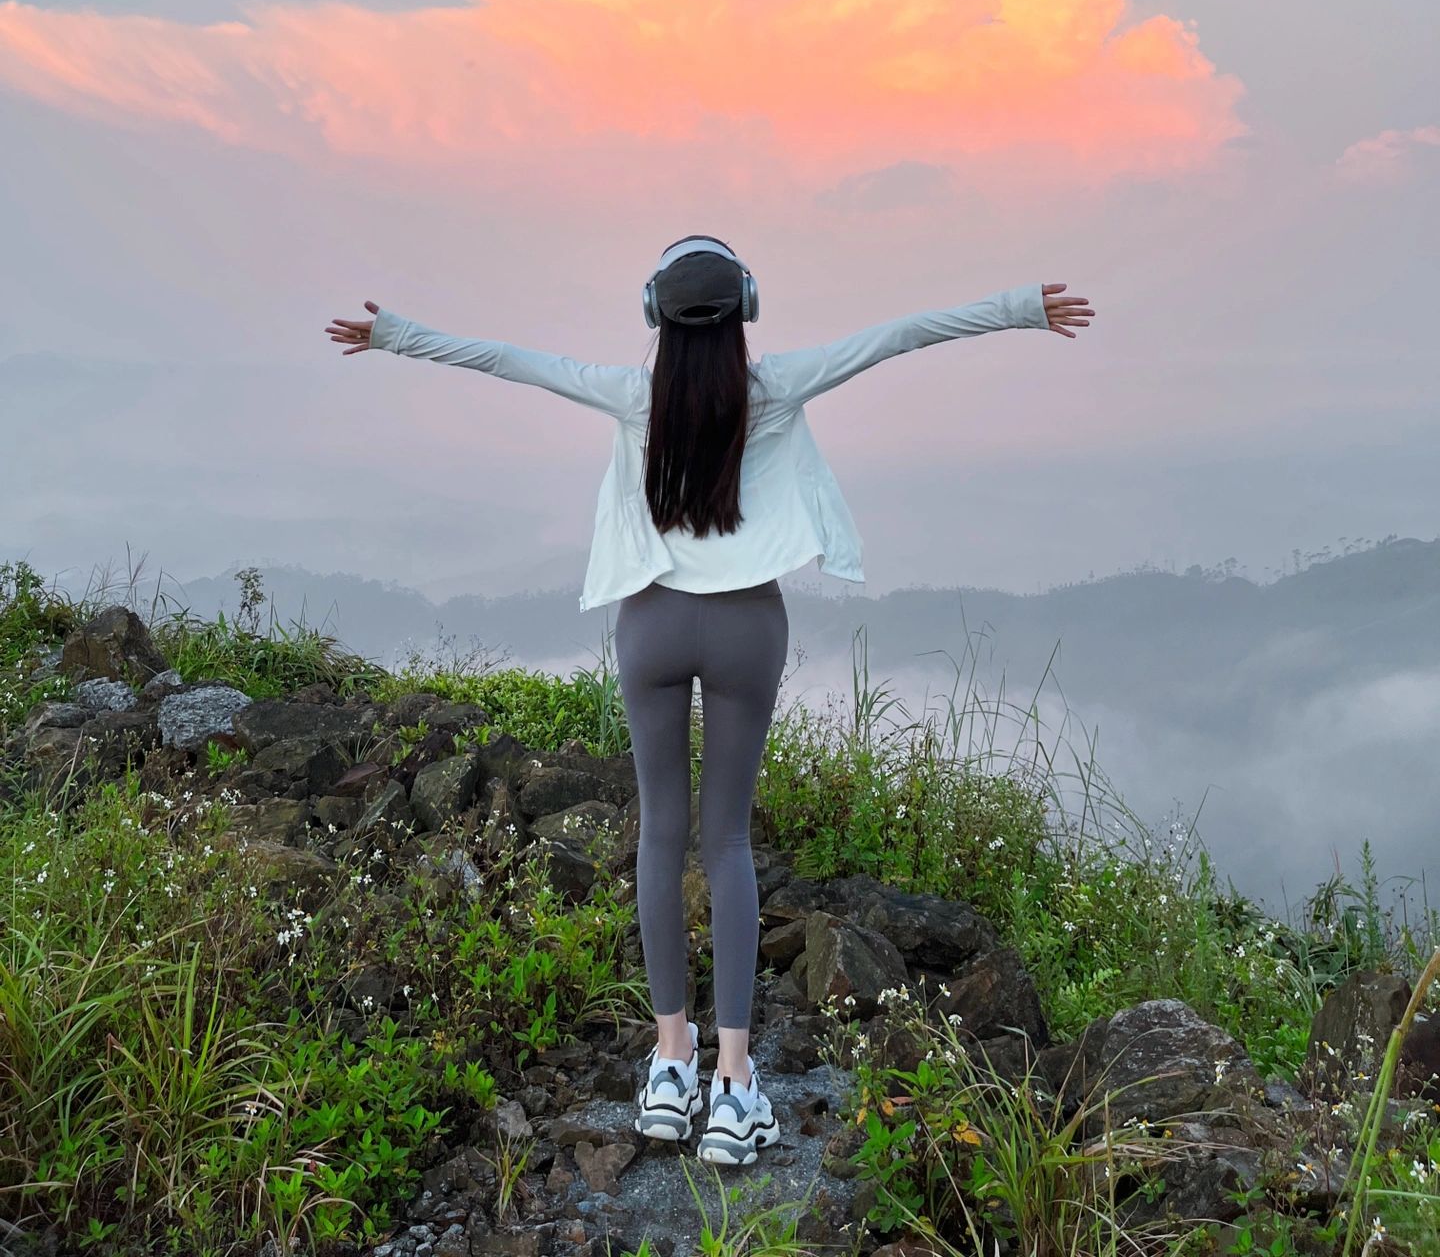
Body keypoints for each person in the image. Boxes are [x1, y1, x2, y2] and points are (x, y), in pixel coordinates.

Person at [327, 238, 1093, 1164]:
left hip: (651, 626)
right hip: (744, 631)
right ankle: (733, 1084)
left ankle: (669, 1063)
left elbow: (506, 360)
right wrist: (1021, 308)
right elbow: (900, 336)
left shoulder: (630, 395)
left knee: (661, 835)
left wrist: (395, 335)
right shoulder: (774, 389)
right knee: (726, 842)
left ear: (654, 311)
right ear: (746, 309)